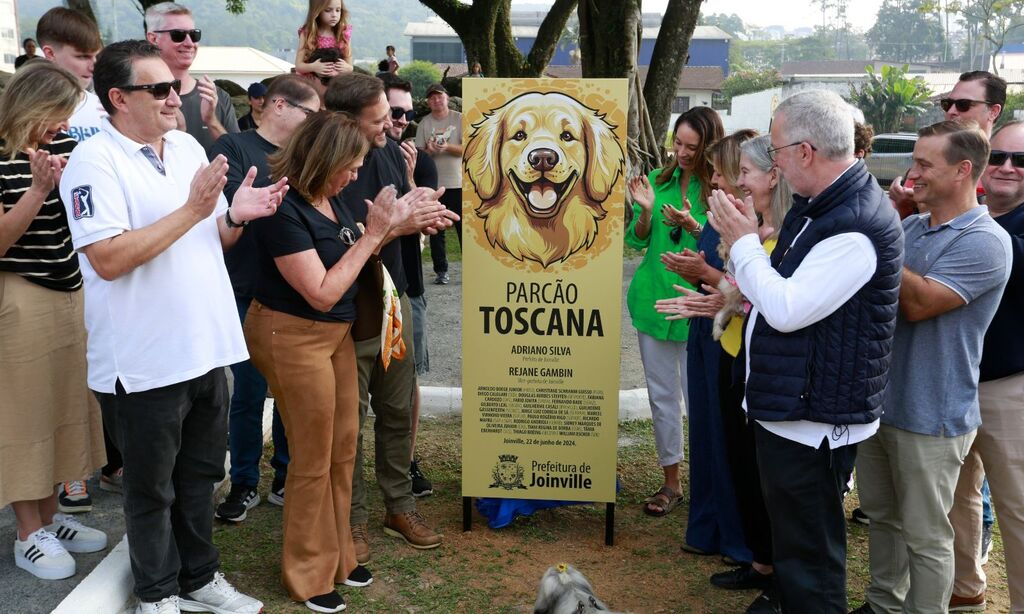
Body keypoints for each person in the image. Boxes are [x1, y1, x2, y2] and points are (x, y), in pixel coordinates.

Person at [60, 39, 287, 614]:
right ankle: (156, 595)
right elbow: (107, 258)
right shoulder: (95, 160)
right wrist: (190, 210)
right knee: (150, 488)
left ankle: (199, 581)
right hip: (143, 360)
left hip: (206, 346)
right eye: (158, 88)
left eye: (174, 87)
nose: (173, 97)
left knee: (199, 478)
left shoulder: (186, 146)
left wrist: (237, 213)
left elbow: (213, 235)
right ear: (117, 97)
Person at [707, 89, 904, 612]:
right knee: (795, 554)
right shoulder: (822, 206)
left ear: (805, 151)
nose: (772, 163)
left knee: (810, 563)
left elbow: (788, 308)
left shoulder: (855, 224)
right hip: (794, 411)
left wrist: (745, 242)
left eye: (774, 151)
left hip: (814, 421)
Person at [244, 109, 445, 613]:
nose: (356, 176)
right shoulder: (283, 208)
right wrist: (377, 233)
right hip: (293, 335)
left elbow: (348, 254)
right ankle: (309, 575)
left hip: (335, 336)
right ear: (323, 158)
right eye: (350, 166)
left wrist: (396, 223)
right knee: (312, 457)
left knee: (343, 446)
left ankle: (338, 556)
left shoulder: (329, 197)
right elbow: (321, 290)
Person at [852, 120, 1011, 614]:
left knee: (926, 535)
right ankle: (883, 605)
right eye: (914, 161)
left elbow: (919, 303)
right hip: (882, 405)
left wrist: (876, 241)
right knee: (883, 519)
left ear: (963, 171)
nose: (911, 173)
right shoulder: (913, 227)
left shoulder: (987, 240)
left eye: (924, 163)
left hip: (934, 413)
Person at [324, 72, 456, 565]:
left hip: (390, 300)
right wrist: (401, 221)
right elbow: (345, 237)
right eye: (380, 118)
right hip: (344, 311)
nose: (392, 124)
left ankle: (398, 507)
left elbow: (394, 216)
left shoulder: (386, 150)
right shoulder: (321, 163)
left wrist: (420, 209)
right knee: (350, 422)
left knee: (398, 410)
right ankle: (352, 517)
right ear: (344, 121)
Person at [658, 132, 793, 612]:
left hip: (757, 362)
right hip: (738, 354)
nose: (728, 182)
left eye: (739, 174)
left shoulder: (783, 230)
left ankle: (777, 576)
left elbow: (770, 298)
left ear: (770, 177)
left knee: (766, 476)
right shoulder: (751, 226)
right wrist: (718, 288)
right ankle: (759, 562)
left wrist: (717, 286)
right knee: (738, 460)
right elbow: (745, 290)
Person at [0, 60, 107, 582]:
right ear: (32, 104)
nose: (64, 126)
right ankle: (27, 534)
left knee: (66, 406)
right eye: (58, 114)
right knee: (24, 415)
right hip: (19, 297)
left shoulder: (68, 151)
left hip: (72, 292)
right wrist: (39, 190)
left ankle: (50, 518)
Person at [210, 75, 321, 523]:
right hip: (245, 288)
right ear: (278, 105)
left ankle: (284, 476)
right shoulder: (234, 148)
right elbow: (238, 206)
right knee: (249, 391)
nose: (314, 124)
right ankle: (242, 482)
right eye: (309, 114)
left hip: (293, 289)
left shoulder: (305, 154)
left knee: (291, 391)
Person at [661, 129, 754, 566]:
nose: (713, 181)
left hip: (729, 339)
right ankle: (708, 526)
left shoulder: (757, 220)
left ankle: (736, 537)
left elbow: (749, 284)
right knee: (705, 432)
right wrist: (696, 238)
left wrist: (708, 274)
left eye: (720, 172)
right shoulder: (722, 212)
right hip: (706, 331)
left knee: (726, 437)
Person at [625, 106, 722, 518]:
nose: (681, 153)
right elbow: (636, 240)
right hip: (653, 304)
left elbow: (725, 250)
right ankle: (671, 483)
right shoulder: (655, 180)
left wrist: (695, 224)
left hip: (699, 307)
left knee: (701, 402)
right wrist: (645, 212)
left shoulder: (719, 188)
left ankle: (708, 485)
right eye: (677, 143)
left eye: (691, 147)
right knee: (663, 399)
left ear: (709, 148)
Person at [35, 6, 111, 513]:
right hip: (39, 261)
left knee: (88, 369)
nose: (90, 65)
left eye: (94, 55)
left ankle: (83, 468)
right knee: (47, 378)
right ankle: (58, 482)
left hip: (91, 256)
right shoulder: (31, 106)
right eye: (81, 56)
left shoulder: (98, 103)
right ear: (48, 53)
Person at [947, 121, 1024, 612]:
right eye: (998, 157)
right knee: (955, 496)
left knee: (1017, 506)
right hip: (953, 380)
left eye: (1021, 161)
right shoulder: (960, 217)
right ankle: (965, 584)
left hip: (1009, 387)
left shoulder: (979, 226)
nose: (1008, 168)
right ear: (977, 162)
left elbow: (1000, 258)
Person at [382, 73, 437, 497]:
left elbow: (425, 225)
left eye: (406, 112)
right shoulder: (355, 155)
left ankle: (408, 461)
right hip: (360, 288)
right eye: (393, 112)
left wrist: (412, 177)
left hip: (407, 286)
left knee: (408, 382)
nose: (401, 120)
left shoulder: (417, 157)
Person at [890, 70, 1006, 217]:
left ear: (993, 111)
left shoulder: (1006, 168)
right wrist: (905, 207)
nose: (951, 111)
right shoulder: (925, 158)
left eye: (963, 104)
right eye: (947, 104)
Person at [145, 2, 239, 154]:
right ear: (153, 38)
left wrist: (211, 121)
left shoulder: (218, 97)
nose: (189, 43)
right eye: (178, 35)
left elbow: (239, 157)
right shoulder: (139, 98)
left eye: (194, 35)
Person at [415, 83, 463, 285]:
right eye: (432, 97)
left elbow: (471, 148)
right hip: (434, 185)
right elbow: (418, 154)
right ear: (428, 101)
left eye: (439, 96)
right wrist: (429, 150)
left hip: (459, 182)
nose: (436, 100)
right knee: (436, 230)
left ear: (447, 97)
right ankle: (441, 270)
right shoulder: (424, 123)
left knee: (464, 230)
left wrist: (447, 147)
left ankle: (473, 268)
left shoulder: (459, 118)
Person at [294, 0, 352, 81]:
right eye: (328, 10)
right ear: (317, 10)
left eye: (338, 10)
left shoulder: (343, 33)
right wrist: (313, 67)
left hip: (335, 84)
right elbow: (299, 66)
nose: (334, 15)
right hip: (311, 83)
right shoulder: (307, 33)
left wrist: (346, 68)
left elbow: (350, 66)